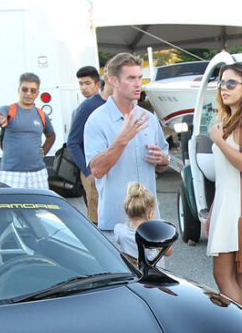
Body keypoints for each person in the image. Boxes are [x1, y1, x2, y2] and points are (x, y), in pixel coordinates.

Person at [84, 53, 170, 245]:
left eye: (139, 77)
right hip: (116, 224)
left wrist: (163, 160)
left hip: (150, 221)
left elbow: (164, 161)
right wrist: (122, 139)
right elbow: (97, 170)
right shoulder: (97, 120)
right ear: (113, 81)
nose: (138, 83)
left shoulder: (148, 117)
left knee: (156, 275)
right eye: (131, 78)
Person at [206, 62, 242, 310]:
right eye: (221, 83)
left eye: (231, 83)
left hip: (238, 207)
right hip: (226, 203)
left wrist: (219, 142)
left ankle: (241, 329)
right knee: (239, 274)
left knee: (225, 275)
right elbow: (223, 176)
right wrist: (212, 212)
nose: (224, 88)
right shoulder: (231, 119)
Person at [0, 72, 55, 189]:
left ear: (37, 93)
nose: (28, 94)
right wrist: (0, 119)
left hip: (38, 173)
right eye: (25, 89)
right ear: (18, 90)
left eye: (33, 90)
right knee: (10, 207)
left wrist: (44, 151)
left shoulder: (41, 114)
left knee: (41, 207)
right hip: (11, 173)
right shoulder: (8, 109)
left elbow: (51, 135)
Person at [66, 65, 106, 222]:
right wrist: (87, 171)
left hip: (108, 165)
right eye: (81, 84)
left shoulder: (106, 103)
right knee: (96, 215)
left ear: (97, 84)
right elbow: (73, 142)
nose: (83, 87)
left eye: (87, 83)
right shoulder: (85, 107)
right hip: (91, 168)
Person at [111, 181, 171, 267]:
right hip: (155, 275)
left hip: (134, 273)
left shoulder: (119, 230)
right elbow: (168, 251)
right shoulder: (153, 235)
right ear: (150, 214)